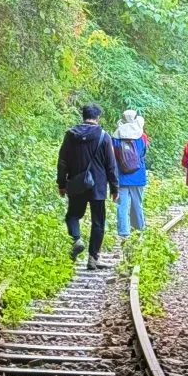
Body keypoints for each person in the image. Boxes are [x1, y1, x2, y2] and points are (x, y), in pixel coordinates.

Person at [57, 102, 119, 270]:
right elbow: (111, 165)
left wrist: (62, 184)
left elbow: (62, 161)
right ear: (97, 118)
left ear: (82, 116)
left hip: (77, 183)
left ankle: (77, 239)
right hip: (97, 185)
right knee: (98, 222)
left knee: (72, 216)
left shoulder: (71, 135)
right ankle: (93, 259)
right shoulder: (103, 136)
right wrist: (114, 187)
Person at [112, 109, 149, 241]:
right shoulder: (142, 136)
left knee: (122, 204)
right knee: (137, 203)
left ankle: (123, 232)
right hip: (138, 175)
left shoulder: (116, 137)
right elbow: (143, 153)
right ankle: (139, 229)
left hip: (121, 176)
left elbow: (114, 156)